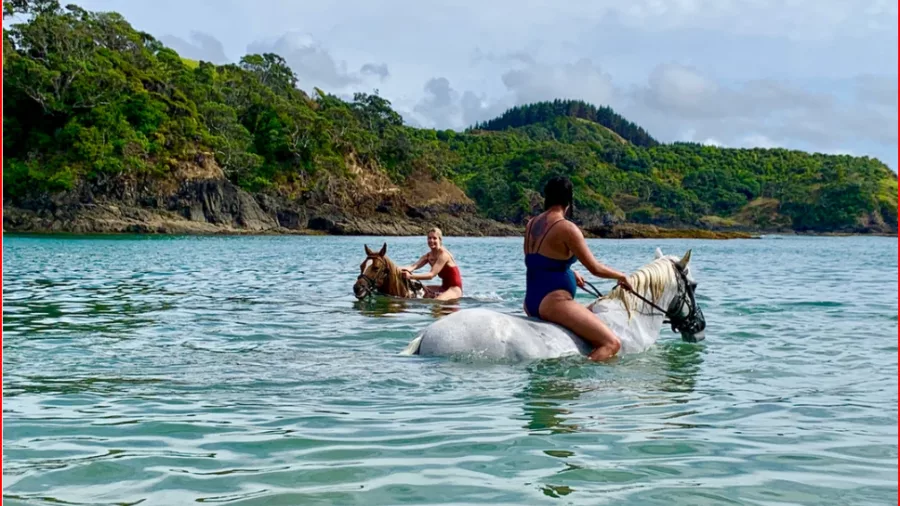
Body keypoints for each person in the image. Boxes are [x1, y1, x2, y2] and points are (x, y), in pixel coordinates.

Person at [523, 176, 634, 361]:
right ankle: (583, 382)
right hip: (554, 303)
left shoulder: (531, 223)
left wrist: (569, 272)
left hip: (531, 301)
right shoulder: (566, 228)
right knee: (611, 343)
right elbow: (595, 268)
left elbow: (538, 260)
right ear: (569, 200)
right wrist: (621, 276)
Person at [401, 227, 463, 301]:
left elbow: (431, 275)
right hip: (443, 287)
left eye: (434, 238)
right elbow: (412, 267)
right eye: (429, 238)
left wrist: (410, 277)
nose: (431, 240)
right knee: (419, 292)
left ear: (440, 240)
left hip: (454, 289)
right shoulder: (428, 256)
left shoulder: (444, 255)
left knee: (437, 301)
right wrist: (395, 269)